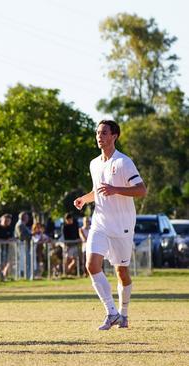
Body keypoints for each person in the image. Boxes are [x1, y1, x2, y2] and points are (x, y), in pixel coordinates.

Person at [74, 119, 147, 330]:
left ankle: (124, 314)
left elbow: (141, 190)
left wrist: (116, 189)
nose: (99, 136)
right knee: (91, 265)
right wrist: (84, 199)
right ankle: (111, 312)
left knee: (122, 272)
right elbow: (98, 190)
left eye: (104, 132)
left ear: (114, 136)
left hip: (122, 226)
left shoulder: (124, 162)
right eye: (98, 133)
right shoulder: (94, 163)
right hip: (100, 223)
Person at [0, 213, 14, 282]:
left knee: (8, 263)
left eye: (8, 221)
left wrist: (12, 239)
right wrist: (4, 241)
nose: (7, 222)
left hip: (7, 248)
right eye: (5, 221)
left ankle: (3, 277)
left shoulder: (9, 228)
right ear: (2, 220)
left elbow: (11, 237)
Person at [14, 211, 32, 278]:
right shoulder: (20, 225)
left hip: (26, 246)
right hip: (22, 246)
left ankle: (27, 275)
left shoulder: (23, 225)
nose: (28, 218)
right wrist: (31, 235)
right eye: (26, 217)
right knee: (22, 262)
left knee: (27, 261)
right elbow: (22, 236)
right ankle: (23, 275)